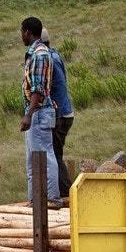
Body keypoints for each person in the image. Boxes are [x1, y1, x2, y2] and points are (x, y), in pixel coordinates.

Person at [20, 16, 60, 203]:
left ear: (27, 32)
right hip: (35, 112)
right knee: (32, 161)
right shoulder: (36, 53)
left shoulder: (40, 54)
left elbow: (38, 89)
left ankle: (50, 198)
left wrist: (29, 114)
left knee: (43, 157)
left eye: (22, 32)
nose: (21, 36)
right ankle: (35, 200)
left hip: (39, 112)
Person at [41, 27, 75, 198]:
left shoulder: (48, 59)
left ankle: (65, 193)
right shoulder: (55, 55)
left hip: (60, 114)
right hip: (65, 112)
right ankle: (63, 191)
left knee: (54, 154)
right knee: (56, 153)